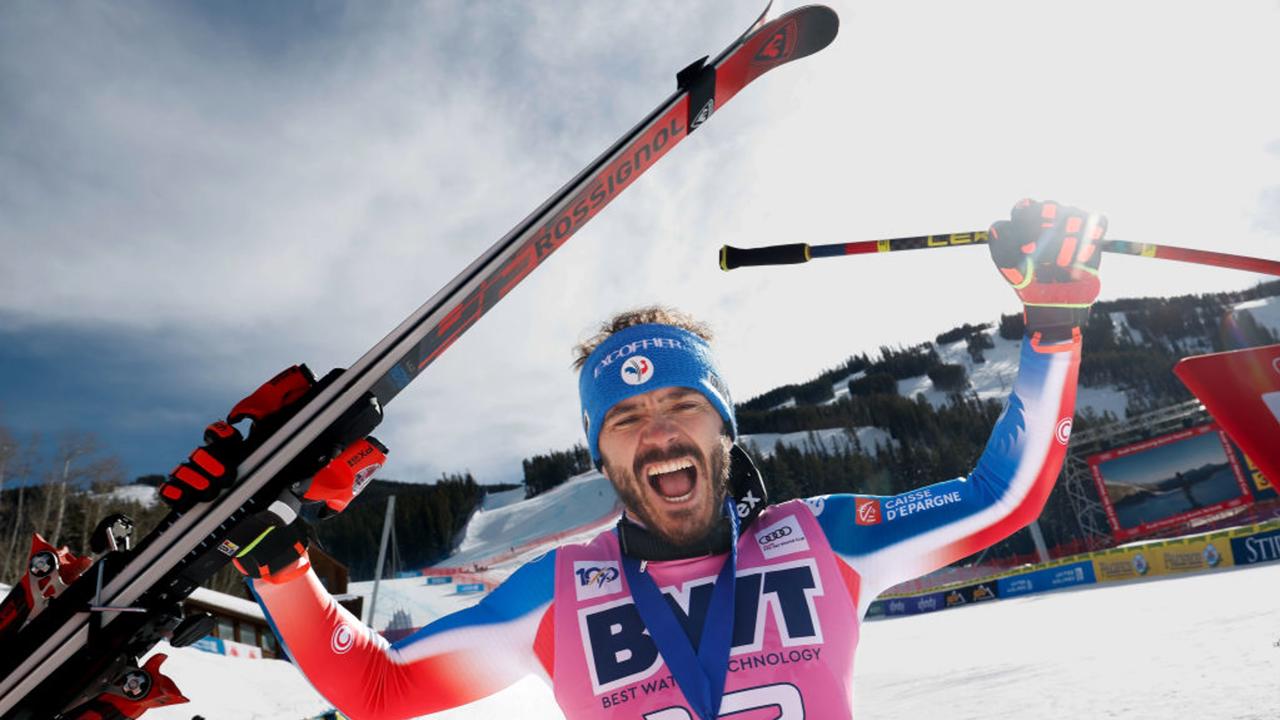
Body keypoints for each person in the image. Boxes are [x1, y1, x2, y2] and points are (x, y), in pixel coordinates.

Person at [163, 199, 1106, 719]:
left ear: (722, 428)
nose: (659, 433)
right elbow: (377, 687)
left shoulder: (819, 539)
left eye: (683, 406)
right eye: (627, 420)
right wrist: (277, 565)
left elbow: (1002, 498)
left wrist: (1052, 332)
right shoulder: (555, 591)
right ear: (600, 454)